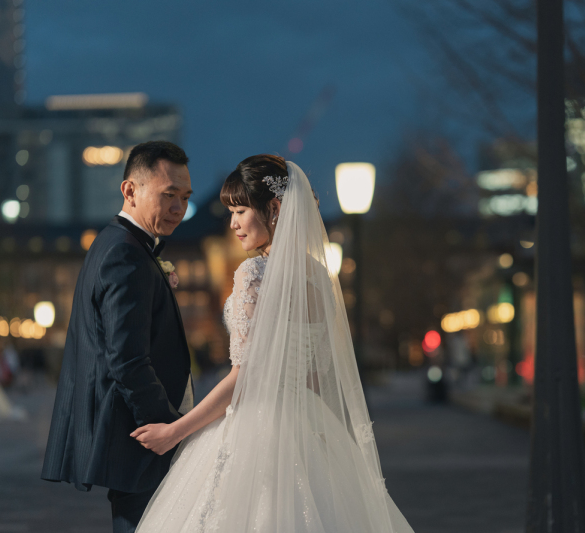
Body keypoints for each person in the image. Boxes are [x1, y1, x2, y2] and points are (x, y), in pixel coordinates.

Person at [132, 155, 413, 532]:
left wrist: (176, 431)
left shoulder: (254, 274)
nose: (233, 223)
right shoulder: (319, 276)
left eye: (241, 210)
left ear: (275, 209)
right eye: (231, 211)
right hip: (310, 425)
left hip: (257, 425)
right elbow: (316, 373)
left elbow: (243, 378)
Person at [41, 141, 195, 533]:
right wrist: (168, 431)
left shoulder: (119, 244)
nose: (179, 207)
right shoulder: (125, 254)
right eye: (168, 195)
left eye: (184, 197)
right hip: (143, 441)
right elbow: (127, 359)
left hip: (137, 440)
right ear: (130, 191)